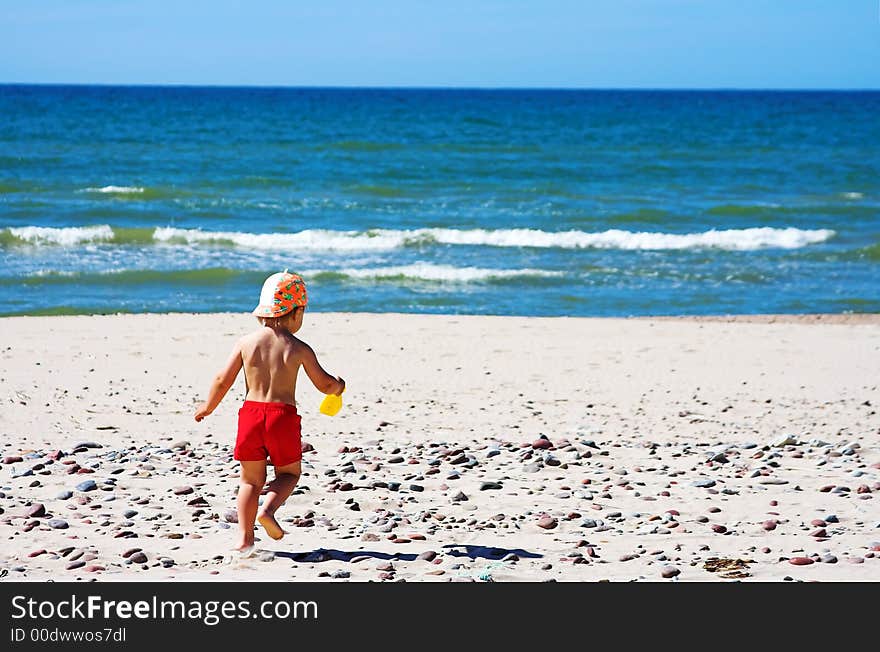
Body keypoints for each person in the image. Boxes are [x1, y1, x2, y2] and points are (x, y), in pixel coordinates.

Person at [194, 271, 345, 552]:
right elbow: (324, 384)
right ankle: (269, 510)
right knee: (288, 474)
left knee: (250, 480)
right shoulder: (298, 348)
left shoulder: (246, 343)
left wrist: (208, 407)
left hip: (250, 415)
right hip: (282, 418)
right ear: (296, 313)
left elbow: (221, 380)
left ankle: (244, 538)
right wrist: (338, 386)